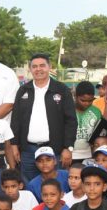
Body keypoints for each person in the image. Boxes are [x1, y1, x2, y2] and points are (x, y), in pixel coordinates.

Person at [10, 53, 77, 182]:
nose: (38, 69)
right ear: (30, 69)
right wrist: (14, 145)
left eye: (42, 65)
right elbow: (16, 120)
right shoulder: (23, 90)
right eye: (34, 66)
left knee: (55, 189)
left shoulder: (61, 90)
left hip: (55, 151)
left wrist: (68, 148)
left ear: (49, 67)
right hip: (28, 152)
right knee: (30, 188)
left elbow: (71, 121)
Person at [73, 81, 103, 163]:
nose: (86, 103)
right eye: (83, 100)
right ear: (75, 96)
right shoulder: (68, 110)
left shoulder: (96, 112)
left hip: (89, 155)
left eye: (90, 101)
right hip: (70, 154)